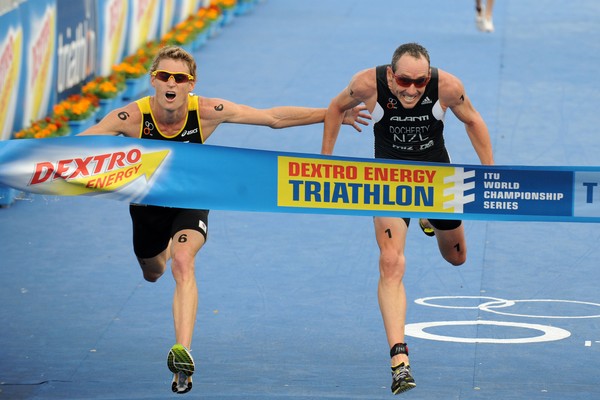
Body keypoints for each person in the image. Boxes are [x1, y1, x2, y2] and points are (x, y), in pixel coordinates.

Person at [81, 45, 369, 394]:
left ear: (191, 85)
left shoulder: (205, 112)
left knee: (183, 262)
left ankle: (182, 353)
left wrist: (331, 113)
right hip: (148, 211)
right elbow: (74, 149)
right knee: (154, 271)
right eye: (163, 76)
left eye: (179, 78)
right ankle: (165, 250)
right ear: (152, 80)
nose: (171, 83)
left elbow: (272, 118)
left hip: (192, 198)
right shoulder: (129, 118)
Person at [321, 42, 494, 394]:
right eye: (404, 81)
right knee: (390, 261)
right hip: (388, 180)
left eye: (420, 81)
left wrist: (492, 172)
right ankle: (399, 360)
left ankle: (427, 219)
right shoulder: (367, 84)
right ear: (390, 74)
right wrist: (323, 163)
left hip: (436, 180)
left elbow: (473, 120)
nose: (412, 89)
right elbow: (336, 108)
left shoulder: (447, 86)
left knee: (457, 258)